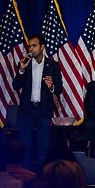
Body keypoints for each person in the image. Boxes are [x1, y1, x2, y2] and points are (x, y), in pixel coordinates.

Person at [12, 34, 63, 170]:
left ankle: (43, 179)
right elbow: (16, 86)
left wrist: (51, 86)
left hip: (43, 110)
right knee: (25, 147)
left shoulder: (53, 65)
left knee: (43, 148)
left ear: (42, 47)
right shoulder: (25, 64)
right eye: (29, 46)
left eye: (34, 46)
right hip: (27, 110)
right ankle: (24, 179)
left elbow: (59, 89)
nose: (31, 49)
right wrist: (21, 70)